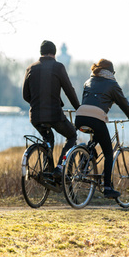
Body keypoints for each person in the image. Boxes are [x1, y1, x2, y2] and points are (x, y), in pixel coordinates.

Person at [75, 59, 129, 199]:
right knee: (108, 153)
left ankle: (85, 158)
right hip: (96, 118)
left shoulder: (88, 81)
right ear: (111, 72)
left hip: (80, 117)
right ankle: (107, 188)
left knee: (96, 137)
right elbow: (124, 104)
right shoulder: (112, 84)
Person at [23, 40, 80, 176]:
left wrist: (38, 104)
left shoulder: (30, 68)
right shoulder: (58, 67)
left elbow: (26, 95)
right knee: (72, 135)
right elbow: (69, 90)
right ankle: (60, 168)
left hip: (35, 116)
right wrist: (78, 107)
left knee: (48, 139)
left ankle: (48, 174)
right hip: (54, 115)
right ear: (54, 53)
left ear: (41, 53)